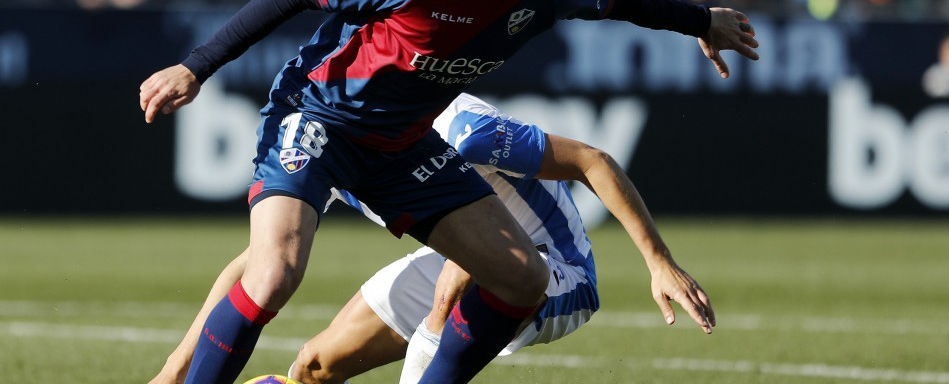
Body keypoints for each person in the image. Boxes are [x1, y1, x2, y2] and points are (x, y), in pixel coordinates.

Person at [139, 0, 758, 384]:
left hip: (403, 146)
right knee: (274, 271)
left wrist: (703, 22)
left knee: (522, 279)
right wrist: (196, 66)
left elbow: (628, 0)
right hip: (320, 116)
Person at [149, 92, 717, 384]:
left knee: (459, 275)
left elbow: (592, 160)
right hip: (457, 257)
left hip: (553, 269)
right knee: (315, 368)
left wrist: (658, 261)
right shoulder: (331, 143)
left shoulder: (463, 130)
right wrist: (175, 369)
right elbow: (257, 264)